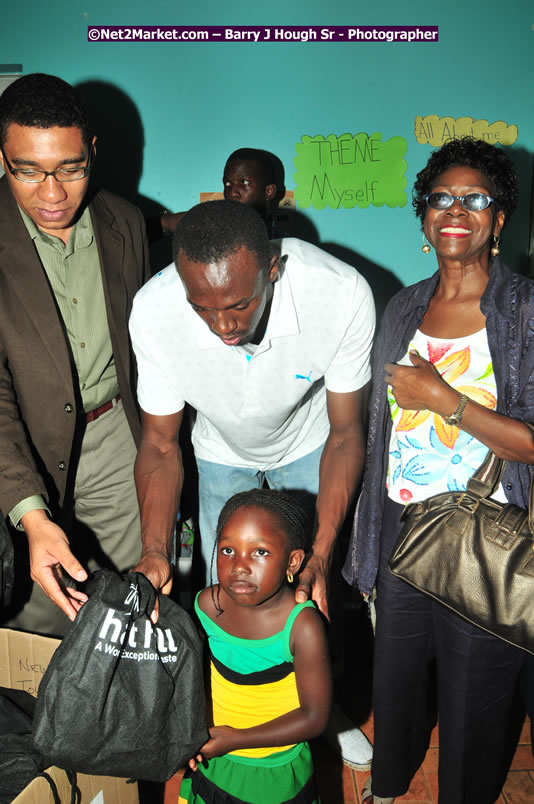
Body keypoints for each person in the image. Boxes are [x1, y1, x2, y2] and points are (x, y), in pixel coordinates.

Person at [129, 199, 375, 769]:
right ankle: (224, 705)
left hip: (310, 441)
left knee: (308, 587)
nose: (223, 327)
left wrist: (320, 547)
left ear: (272, 269)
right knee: (229, 591)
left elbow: (344, 434)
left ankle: (321, 706)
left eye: (238, 305)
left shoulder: (336, 293)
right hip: (217, 447)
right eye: (204, 309)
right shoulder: (156, 311)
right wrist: (154, 550)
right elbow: (161, 444)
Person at [344, 137, 533, 804]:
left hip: (486, 535)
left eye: (474, 198)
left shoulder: (524, 312)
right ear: (424, 216)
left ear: (499, 217)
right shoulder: (403, 307)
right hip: (403, 525)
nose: (456, 209)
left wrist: (447, 402)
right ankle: (390, 787)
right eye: (441, 198)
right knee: (394, 681)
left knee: (473, 696)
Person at [0, 73, 150, 636]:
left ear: (92, 151)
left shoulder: (126, 223)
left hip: (114, 435)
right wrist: (31, 515)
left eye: (69, 168)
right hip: (21, 445)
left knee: (128, 598)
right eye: (29, 171)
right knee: (36, 610)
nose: (53, 193)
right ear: (2, 158)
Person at [179, 488, 331, 804]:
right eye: (227, 551)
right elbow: (190, 680)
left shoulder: (301, 626)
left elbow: (315, 717)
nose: (239, 566)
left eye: (259, 552)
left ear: (293, 562)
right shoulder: (209, 605)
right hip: (214, 757)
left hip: (271, 771)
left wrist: (236, 740)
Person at [158, 147, 285, 238]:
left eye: (244, 182)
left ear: (269, 191)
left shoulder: (287, 247)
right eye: (227, 184)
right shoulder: (209, 237)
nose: (232, 193)